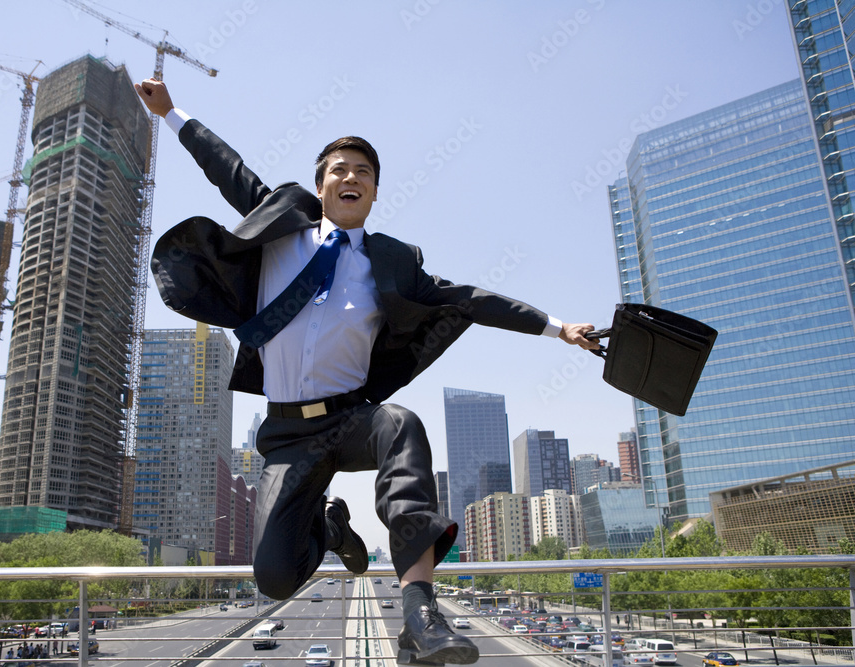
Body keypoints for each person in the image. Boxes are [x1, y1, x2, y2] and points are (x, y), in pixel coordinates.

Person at [135, 77, 599, 666]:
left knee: (401, 423)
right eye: (338, 169)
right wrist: (171, 113)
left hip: (350, 419)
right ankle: (329, 530)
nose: (350, 177)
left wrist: (559, 327)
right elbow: (226, 167)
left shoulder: (393, 263)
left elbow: (471, 299)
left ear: (375, 192)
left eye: (363, 172)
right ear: (321, 184)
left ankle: (420, 612)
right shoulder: (282, 226)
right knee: (275, 578)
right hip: (286, 435)